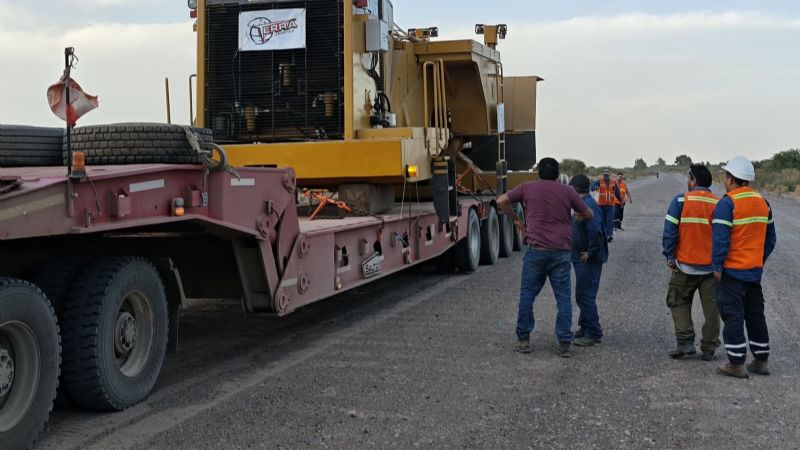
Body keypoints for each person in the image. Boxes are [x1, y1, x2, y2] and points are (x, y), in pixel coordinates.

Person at [498, 157, 594, 358]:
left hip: (536, 250)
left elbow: (501, 201)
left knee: (527, 295)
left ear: (538, 173)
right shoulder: (568, 191)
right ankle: (564, 343)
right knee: (563, 298)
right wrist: (579, 216)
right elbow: (589, 214)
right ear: (558, 174)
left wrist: (516, 220)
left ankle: (523, 340)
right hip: (561, 251)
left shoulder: (527, 187)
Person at [712, 156, 777, 378]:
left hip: (732, 272)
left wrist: (717, 266)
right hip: (754, 272)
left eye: (725, 176)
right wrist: (758, 259)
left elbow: (720, 240)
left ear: (731, 179)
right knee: (755, 315)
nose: (724, 180)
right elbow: (771, 239)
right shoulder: (763, 203)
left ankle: (736, 363)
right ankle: (761, 360)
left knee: (733, 315)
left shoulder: (727, 203)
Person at [661, 165, 721, 361]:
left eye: (689, 179)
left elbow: (670, 231)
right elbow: (725, 237)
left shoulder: (680, 200)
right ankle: (709, 348)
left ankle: (685, 342)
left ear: (693, 181)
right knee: (712, 309)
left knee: (678, 301)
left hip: (684, 266)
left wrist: (670, 256)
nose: (688, 182)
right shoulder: (719, 204)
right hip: (711, 269)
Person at [569, 174, 608, 347]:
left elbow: (596, 232)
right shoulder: (583, 204)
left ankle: (593, 332)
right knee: (583, 294)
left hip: (588, 260)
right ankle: (585, 327)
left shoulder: (587, 205)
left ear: (574, 188)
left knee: (585, 295)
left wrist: (590, 253)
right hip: (582, 258)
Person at [591, 170, 622, 241]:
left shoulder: (613, 182)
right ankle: (605, 235)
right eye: (604, 175)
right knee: (602, 221)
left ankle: (609, 235)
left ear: (609, 175)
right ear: (603, 175)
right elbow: (592, 188)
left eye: (607, 175)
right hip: (601, 206)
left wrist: (621, 202)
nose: (606, 176)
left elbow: (617, 193)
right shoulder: (599, 182)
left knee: (609, 221)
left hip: (611, 206)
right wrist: (595, 187)